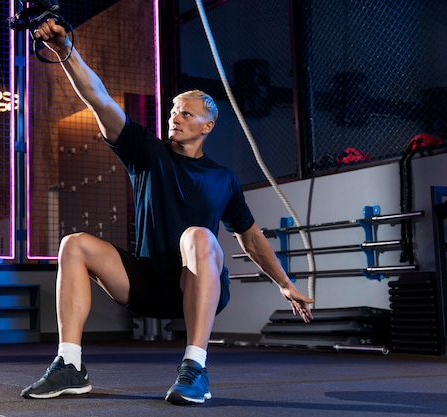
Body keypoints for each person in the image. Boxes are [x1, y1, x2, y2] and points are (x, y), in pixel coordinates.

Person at [22, 19, 314, 405]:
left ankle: (194, 368)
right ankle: (70, 365)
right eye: (174, 111)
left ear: (208, 125)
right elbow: (99, 98)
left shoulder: (223, 178)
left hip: (194, 286)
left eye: (186, 114)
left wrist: (283, 282)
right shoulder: (146, 152)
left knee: (198, 236)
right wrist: (65, 51)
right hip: (144, 282)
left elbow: (251, 237)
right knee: (74, 244)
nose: (174, 117)